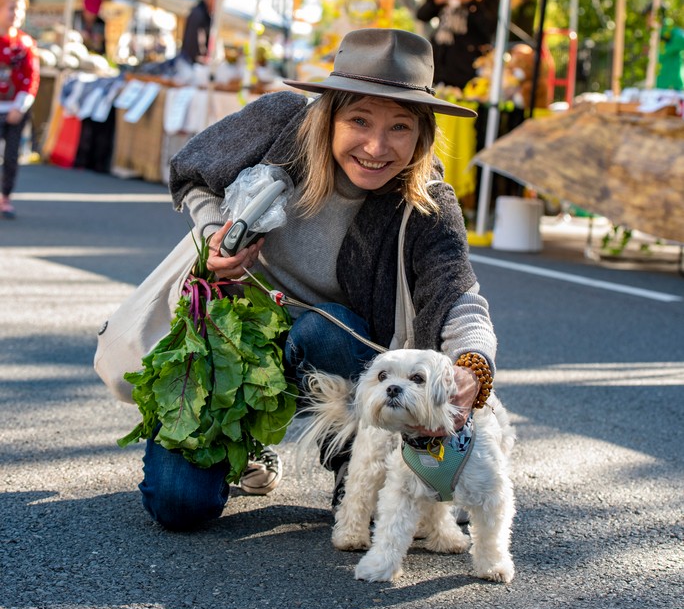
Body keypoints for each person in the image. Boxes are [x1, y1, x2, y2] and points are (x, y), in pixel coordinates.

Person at [138, 27, 498, 531]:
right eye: (359, 120)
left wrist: (472, 364)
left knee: (326, 326)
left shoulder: (427, 204)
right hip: (234, 339)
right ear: (329, 115)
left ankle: (355, 461)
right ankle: (250, 439)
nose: (377, 146)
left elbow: (458, 294)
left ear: (422, 135)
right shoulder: (279, 124)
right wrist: (214, 233)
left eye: (399, 127)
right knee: (178, 506)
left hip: (334, 351)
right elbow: (194, 172)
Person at [416, 0, 501, 89]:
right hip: (438, 58)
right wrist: (437, 0)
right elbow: (421, 15)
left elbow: (489, 27)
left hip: (467, 65)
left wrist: (471, 2)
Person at [0, 0, 40, 219]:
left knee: (12, 157)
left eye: (20, 9)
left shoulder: (25, 44)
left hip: (14, 108)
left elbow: (31, 77)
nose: (16, 14)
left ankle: (5, 196)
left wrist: (21, 105)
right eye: (10, 8)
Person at [180, 0, 216, 64]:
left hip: (192, 62)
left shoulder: (205, 14)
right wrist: (201, 58)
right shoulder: (198, 13)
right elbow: (192, 45)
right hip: (190, 63)